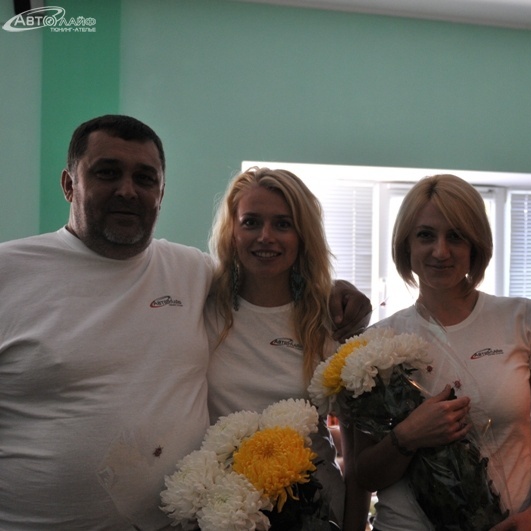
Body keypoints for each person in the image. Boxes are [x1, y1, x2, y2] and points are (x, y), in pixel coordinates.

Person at [0, 115, 371, 530]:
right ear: (69, 184)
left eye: (145, 178)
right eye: (107, 172)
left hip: (193, 522)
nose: (127, 190)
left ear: (161, 192)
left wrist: (336, 292)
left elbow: (272, 285)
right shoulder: (9, 272)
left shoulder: (189, 272)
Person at [353, 174, 531, 531]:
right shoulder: (375, 343)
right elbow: (365, 474)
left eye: (455, 236)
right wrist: (408, 436)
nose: (441, 251)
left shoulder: (523, 319)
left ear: (476, 245)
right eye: (426, 235)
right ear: (406, 246)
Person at [204, 167, 370, 531]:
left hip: (318, 513)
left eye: (283, 224)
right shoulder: (204, 308)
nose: (266, 237)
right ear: (232, 232)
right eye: (251, 222)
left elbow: (357, 455)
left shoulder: (331, 320)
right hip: (227, 513)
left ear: (302, 236)